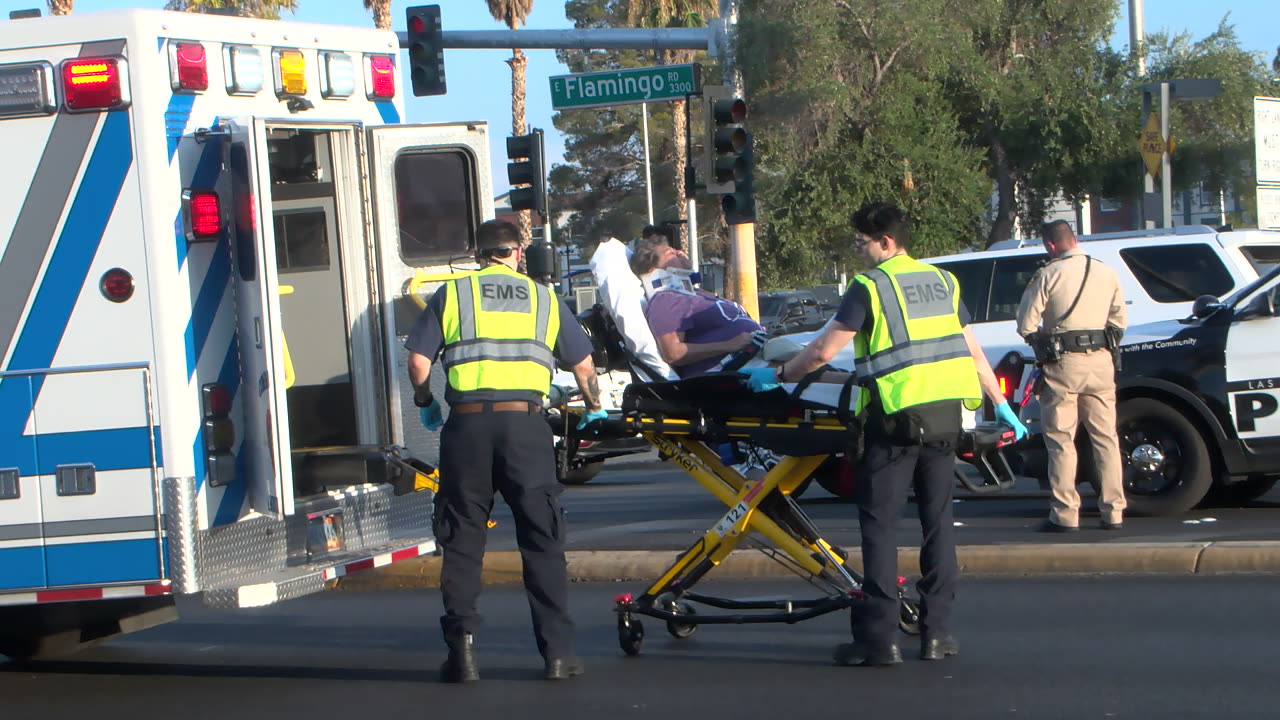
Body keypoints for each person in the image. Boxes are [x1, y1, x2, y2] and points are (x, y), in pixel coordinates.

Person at [744, 202, 1027, 667]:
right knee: (937, 525)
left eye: (862, 242)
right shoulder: (943, 281)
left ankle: (879, 640)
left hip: (892, 421)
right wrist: (1002, 408)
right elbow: (972, 352)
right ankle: (936, 634)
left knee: (880, 529)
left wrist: (778, 376)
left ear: (886, 242)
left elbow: (821, 351)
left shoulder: (870, 287)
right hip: (945, 420)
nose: (858, 250)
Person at [406, 219, 606, 683]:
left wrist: (425, 401)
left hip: (467, 428)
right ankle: (557, 656)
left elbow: (418, 360)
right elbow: (583, 364)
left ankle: (463, 655)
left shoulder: (454, 295)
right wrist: (593, 408)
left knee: (462, 540)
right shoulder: (544, 298)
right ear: (518, 252)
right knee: (542, 538)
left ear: (480, 255)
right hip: (526, 428)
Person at [1016, 219, 1127, 533]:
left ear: (1051, 245)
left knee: (1061, 440)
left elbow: (1026, 323)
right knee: (1105, 438)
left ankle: (1065, 514)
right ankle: (1114, 512)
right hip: (1102, 362)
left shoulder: (1048, 274)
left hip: (1063, 363)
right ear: (1074, 240)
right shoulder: (1106, 272)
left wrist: (1043, 340)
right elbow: (1119, 320)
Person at [629, 232, 762, 378]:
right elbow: (673, 353)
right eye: (670, 252)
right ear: (652, 269)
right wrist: (729, 344)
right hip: (731, 369)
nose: (680, 253)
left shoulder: (696, 294)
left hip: (755, 354)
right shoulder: (665, 300)